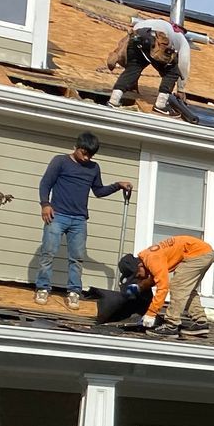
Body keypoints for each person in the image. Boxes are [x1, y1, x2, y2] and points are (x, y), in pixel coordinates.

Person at [34, 131, 132, 309]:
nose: (87, 158)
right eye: (84, 153)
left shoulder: (93, 168)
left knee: (77, 258)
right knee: (48, 252)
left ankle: (73, 292)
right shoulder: (60, 161)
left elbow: (99, 191)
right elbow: (45, 183)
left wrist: (117, 185)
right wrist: (45, 204)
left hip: (79, 219)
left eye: (90, 155)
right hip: (57, 215)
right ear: (76, 147)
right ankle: (43, 288)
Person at [119, 235, 214, 337]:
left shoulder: (153, 260)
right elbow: (153, 279)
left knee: (177, 286)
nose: (139, 278)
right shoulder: (147, 258)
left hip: (198, 254)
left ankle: (171, 325)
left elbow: (163, 288)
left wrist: (151, 314)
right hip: (203, 253)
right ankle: (201, 323)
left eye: (138, 275)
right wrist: (138, 288)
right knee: (186, 288)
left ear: (139, 266)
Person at [106, 17, 192, 113]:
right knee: (172, 72)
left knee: (133, 67)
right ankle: (161, 105)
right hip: (155, 37)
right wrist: (181, 90)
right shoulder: (181, 38)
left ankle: (113, 100)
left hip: (135, 36)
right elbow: (183, 64)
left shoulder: (155, 23)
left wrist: (132, 81)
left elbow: (142, 56)